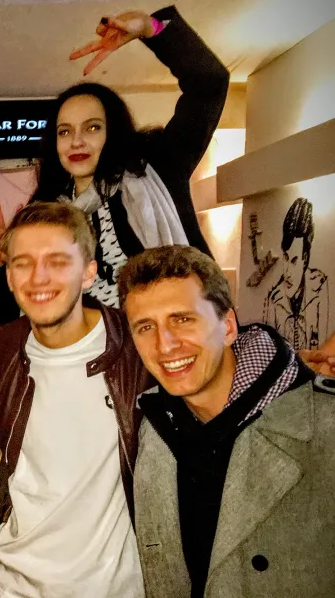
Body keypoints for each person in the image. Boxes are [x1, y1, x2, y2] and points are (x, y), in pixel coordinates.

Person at [0, 6, 229, 310]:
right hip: (81, 352)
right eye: (64, 131)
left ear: (112, 132)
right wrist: (5, 265)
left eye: (92, 128)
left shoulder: (155, 169)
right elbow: (26, 308)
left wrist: (152, 29)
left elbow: (209, 85)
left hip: (166, 338)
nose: (76, 141)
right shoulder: (47, 206)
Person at [118, 245, 335, 598]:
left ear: (229, 326)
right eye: (145, 327)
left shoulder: (324, 427)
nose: (165, 344)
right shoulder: (153, 428)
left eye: (183, 319)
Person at [0, 202, 149, 597]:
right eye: (22, 263)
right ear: (7, 275)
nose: (39, 277)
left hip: (119, 588)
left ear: (89, 272)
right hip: (14, 585)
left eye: (57, 260)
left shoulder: (136, 347)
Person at [263, 197, 329, 351]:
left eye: (294, 261)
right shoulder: (274, 299)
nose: (287, 271)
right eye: (285, 258)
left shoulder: (320, 287)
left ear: (305, 260)